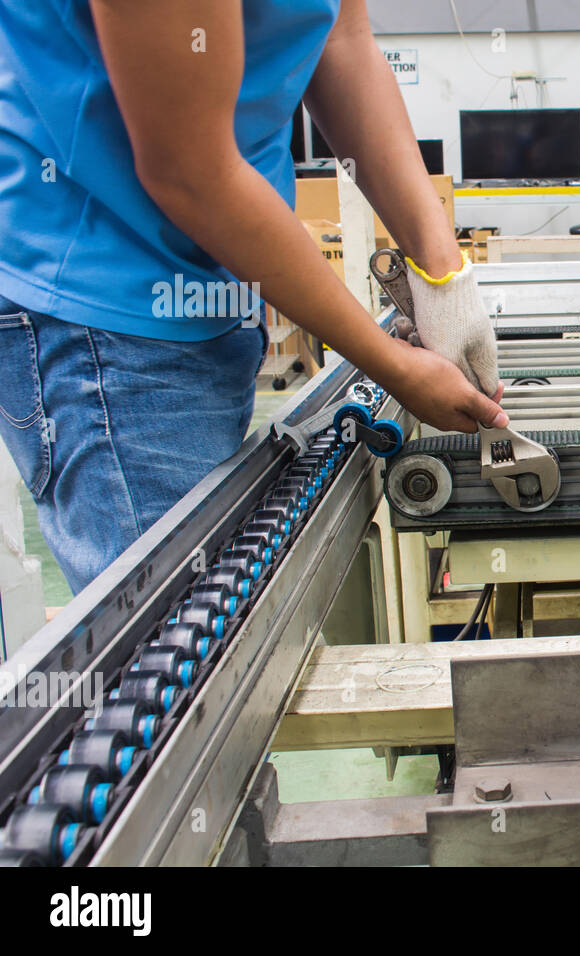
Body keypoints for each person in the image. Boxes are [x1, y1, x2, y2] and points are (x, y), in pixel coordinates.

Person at [0, 1, 507, 593]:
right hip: (105, 302)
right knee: (179, 639)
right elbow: (189, 171)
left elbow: (340, 39)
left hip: (208, 282)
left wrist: (444, 274)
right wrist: (391, 364)